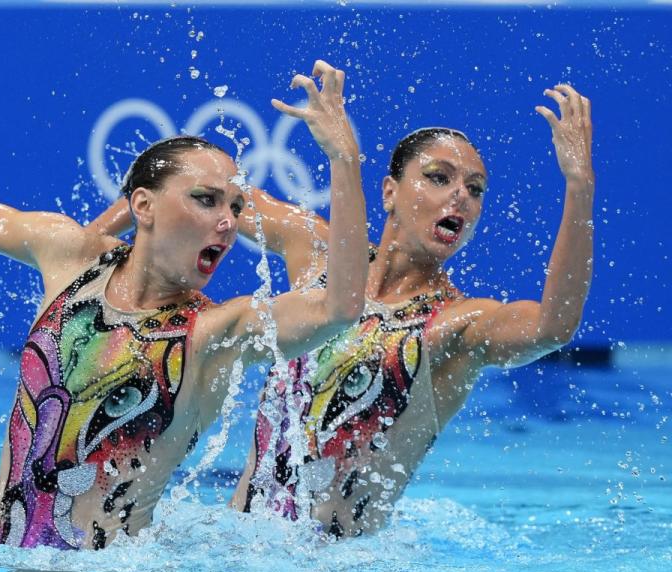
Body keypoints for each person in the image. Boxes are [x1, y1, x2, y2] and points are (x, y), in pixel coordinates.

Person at [0, 60, 370, 550]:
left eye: (234, 206)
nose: (228, 223)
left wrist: (344, 159)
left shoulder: (212, 331)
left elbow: (338, 309)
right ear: (144, 205)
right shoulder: (69, 256)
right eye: (205, 200)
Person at [92, 84, 593, 539]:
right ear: (390, 192)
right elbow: (188, 194)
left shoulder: (456, 324)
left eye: (476, 189)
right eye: (439, 177)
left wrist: (578, 186)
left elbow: (553, 326)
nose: (460, 195)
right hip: (241, 546)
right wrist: (98, 250)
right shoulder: (317, 254)